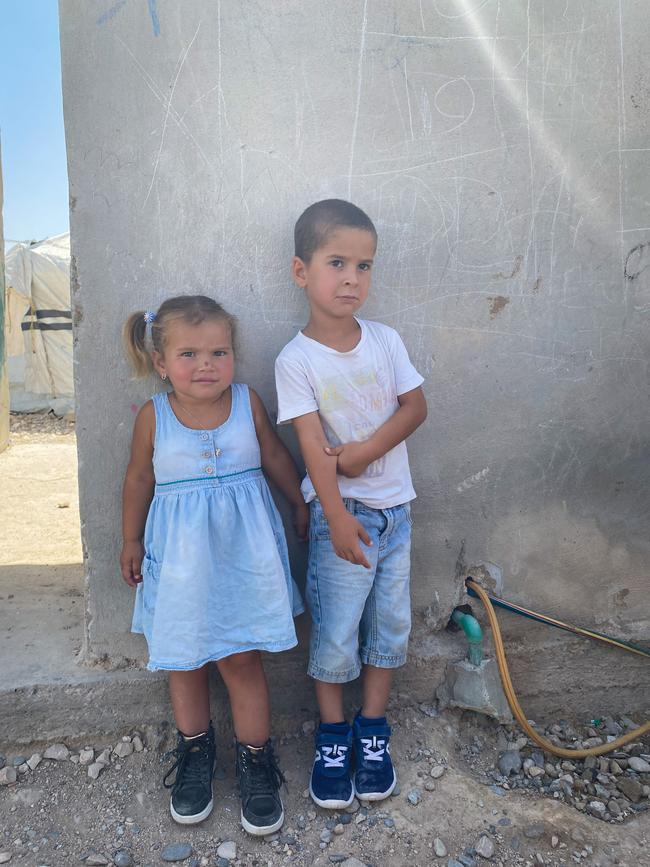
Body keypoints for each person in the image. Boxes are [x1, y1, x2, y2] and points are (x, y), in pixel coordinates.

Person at [120, 295, 307, 835]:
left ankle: (255, 761)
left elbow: (274, 455)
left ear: (234, 357)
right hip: (181, 566)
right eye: (189, 354)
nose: (206, 365)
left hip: (244, 564)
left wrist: (299, 501)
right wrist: (130, 538)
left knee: (243, 661)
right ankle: (196, 756)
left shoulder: (247, 403)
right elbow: (138, 480)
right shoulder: (155, 417)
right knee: (185, 661)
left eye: (219, 352)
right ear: (160, 363)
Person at [275, 199, 427, 809]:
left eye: (364, 266)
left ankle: (373, 730)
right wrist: (335, 515)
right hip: (346, 521)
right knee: (336, 634)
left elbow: (416, 407)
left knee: (390, 627)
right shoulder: (297, 360)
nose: (351, 279)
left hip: (397, 514)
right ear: (300, 271)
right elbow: (312, 448)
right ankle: (333, 736)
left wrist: (363, 452)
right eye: (336, 262)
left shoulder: (385, 340)